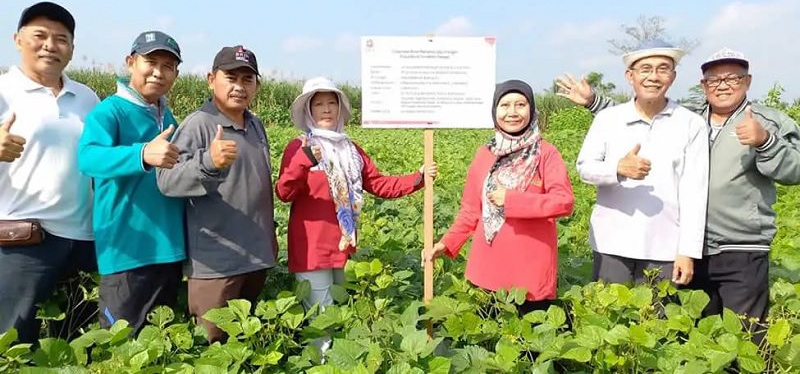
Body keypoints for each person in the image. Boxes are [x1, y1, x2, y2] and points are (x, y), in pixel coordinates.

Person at [558, 46, 800, 328]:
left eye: (732, 78)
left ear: (747, 81)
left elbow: (696, 192)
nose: (723, 86)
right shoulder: (686, 116)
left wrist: (765, 141)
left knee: (739, 332)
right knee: (659, 325)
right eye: (714, 80)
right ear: (703, 85)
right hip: (648, 243)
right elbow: (640, 111)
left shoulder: (751, 121)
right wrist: (597, 110)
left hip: (730, 244)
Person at [276, 77, 437, 349]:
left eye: (331, 103)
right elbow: (284, 192)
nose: (326, 109)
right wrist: (304, 160)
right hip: (311, 249)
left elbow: (378, 183)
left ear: (340, 109)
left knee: (342, 310)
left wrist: (418, 178)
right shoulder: (299, 146)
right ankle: (323, 366)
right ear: (309, 111)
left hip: (343, 245)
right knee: (322, 319)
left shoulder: (351, 149)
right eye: (319, 104)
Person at [157, 45, 277, 343]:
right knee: (213, 349)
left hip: (256, 257)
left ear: (257, 85)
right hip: (217, 264)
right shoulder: (199, 124)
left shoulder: (255, 124)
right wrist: (209, 162)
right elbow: (167, 181)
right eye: (231, 77)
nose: (239, 86)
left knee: (245, 346)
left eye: (247, 79)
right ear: (211, 79)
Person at [426, 79, 574, 314]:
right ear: (495, 111)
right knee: (488, 341)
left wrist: (513, 200)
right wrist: (446, 243)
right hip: (487, 266)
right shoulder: (485, 153)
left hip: (530, 270)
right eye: (505, 105)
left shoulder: (546, 153)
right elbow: (471, 210)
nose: (512, 112)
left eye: (520, 105)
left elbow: (564, 201)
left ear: (531, 109)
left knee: (529, 344)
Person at [0, 2, 99, 343]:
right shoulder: (2, 91)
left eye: (61, 38)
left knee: (77, 339)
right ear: (17, 39)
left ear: (71, 48)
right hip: (22, 239)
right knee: (13, 340)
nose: (50, 45)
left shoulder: (86, 97)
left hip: (83, 239)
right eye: (39, 36)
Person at [574, 40, 708, 286]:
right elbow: (584, 168)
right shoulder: (608, 119)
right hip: (611, 244)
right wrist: (616, 168)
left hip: (665, 247)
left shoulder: (690, 124)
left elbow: (695, 194)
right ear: (630, 76)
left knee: (657, 322)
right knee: (609, 320)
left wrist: (687, 251)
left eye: (663, 69)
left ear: (673, 76)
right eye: (645, 69)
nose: (653, 77)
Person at [78, 31, 185, 334]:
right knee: (121, 347)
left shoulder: (168, 117)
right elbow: (88, 158)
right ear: (130, 62)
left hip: (169, 248)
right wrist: (142, 153)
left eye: (168, 66)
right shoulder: (109, 111)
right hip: (127, 251)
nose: (158, 72)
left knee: (159, 347)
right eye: (150, 62)